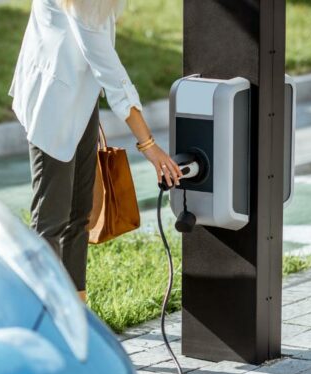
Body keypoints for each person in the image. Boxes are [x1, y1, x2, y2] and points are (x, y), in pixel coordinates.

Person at [10, 0, 182, 302]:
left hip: (79, 100)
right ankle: (43, 313)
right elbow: (110, 70)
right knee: (51, 222)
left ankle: (78, 306)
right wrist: (149, 146)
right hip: (50, 105)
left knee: (79, 215)